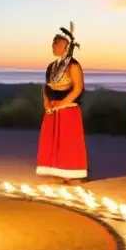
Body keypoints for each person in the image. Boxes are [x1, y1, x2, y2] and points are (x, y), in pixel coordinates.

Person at [36, 22, 87, 182]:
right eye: (53, 42)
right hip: (52, 109)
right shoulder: (51, 66)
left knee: (67, 142)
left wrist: (62, 103)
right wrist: (47, 103)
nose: (53, 46)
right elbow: (46, 86)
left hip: (68, 109)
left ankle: (73, 174)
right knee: (53, 141)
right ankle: (56, 170)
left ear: (65, 46)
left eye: (56, 43)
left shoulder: (73, 65)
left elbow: (78, 88)